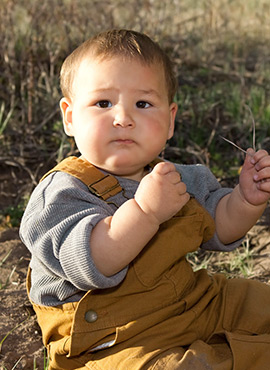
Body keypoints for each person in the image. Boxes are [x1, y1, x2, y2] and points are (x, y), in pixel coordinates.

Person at [20, 29, 270, 370]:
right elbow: (95, 263)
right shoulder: (61, 194)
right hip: (112, 340)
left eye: (143, 104)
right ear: (70, 116)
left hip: (190, 303)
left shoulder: (176, 178)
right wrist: (144, 211)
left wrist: (246, 199)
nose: (123, 118)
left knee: (254, 302)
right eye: (103, 103)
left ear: (169, 121)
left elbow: (220, 227)